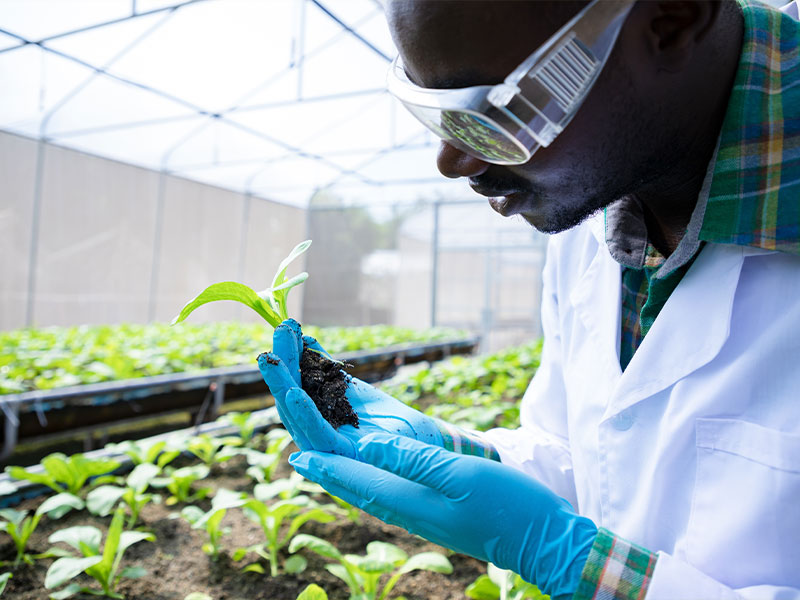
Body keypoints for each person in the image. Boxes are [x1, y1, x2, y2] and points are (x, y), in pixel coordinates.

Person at [259, 0, 800, 598]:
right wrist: (448, 450)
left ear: (671, 21)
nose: (452, 160)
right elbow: (585, 456)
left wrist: (577, 565)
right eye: (432, 109)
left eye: (495, 109)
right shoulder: (594, 204)